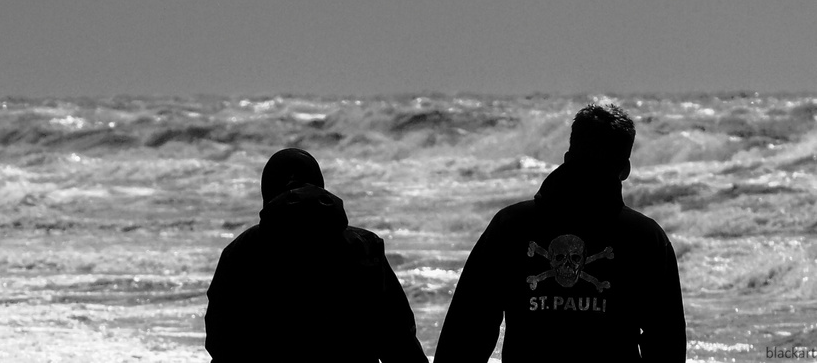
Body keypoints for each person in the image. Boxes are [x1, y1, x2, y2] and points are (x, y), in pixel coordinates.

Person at [434, 104, 685, 362]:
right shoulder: (645, 238)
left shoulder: (511, 226)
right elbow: (667, 344)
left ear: (567, 157)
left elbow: (466, 332)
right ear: (625, 169)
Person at [205, 148, 427, 362]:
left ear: (267, 191)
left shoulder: (241, 251)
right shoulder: (364, 246)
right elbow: (398, 340)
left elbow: (220, 342)